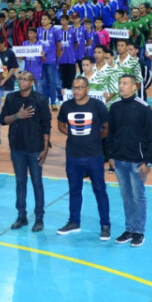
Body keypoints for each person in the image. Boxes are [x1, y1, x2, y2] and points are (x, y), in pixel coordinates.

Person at [106, 75, 152, 248]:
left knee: (138, 196)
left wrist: (148, 162)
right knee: (126, 195)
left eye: (125, 83)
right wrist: (111, 156)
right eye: (120, 83)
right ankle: (129, 229)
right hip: (120, 161)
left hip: (137, 162)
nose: (121, 86)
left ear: (135, 87)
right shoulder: (114, 107)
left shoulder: (143, 109)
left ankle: (139, 231)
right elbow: (110, 135)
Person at [57, 76, 112, 240]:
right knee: (74, 190)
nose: (76, 91)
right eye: (74, 88)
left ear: (87, 89)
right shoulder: (67, 106)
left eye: (80, 87)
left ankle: (105, 225)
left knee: (100, 190)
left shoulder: (98, 105)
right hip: (73, 155)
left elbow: (107, 129)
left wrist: (94, 138)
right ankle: (74, 222)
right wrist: (73, 135)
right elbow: (60, 125)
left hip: (94, 155)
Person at [0, 70, 51, 232]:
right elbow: (2, 120)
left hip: (35, 148)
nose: (22, 81)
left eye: (25, 79)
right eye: (20, 78)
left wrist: (45, 148)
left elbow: (46, 125)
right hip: (17, 148)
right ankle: (21, 216)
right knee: (20, 182)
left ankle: (39, 218)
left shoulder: (41, 100)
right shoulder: (11, 98)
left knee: (37, 182)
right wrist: (17, 116)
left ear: (32, 82)